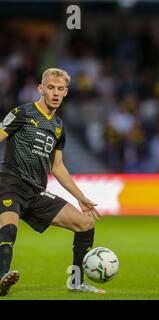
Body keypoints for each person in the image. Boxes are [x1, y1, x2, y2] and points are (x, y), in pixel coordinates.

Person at [0, 68, 104, 296]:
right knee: (8, 227)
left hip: (37, 192)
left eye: (60, 89)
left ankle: (76, 282)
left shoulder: (58, 126)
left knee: (86, 224)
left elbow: (58, 167)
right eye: (50, 88)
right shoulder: (22, 113)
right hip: (11, 184)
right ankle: (2, 277)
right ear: (40, 89)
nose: (55, 93)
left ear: (66, 92)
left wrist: (81, 197)